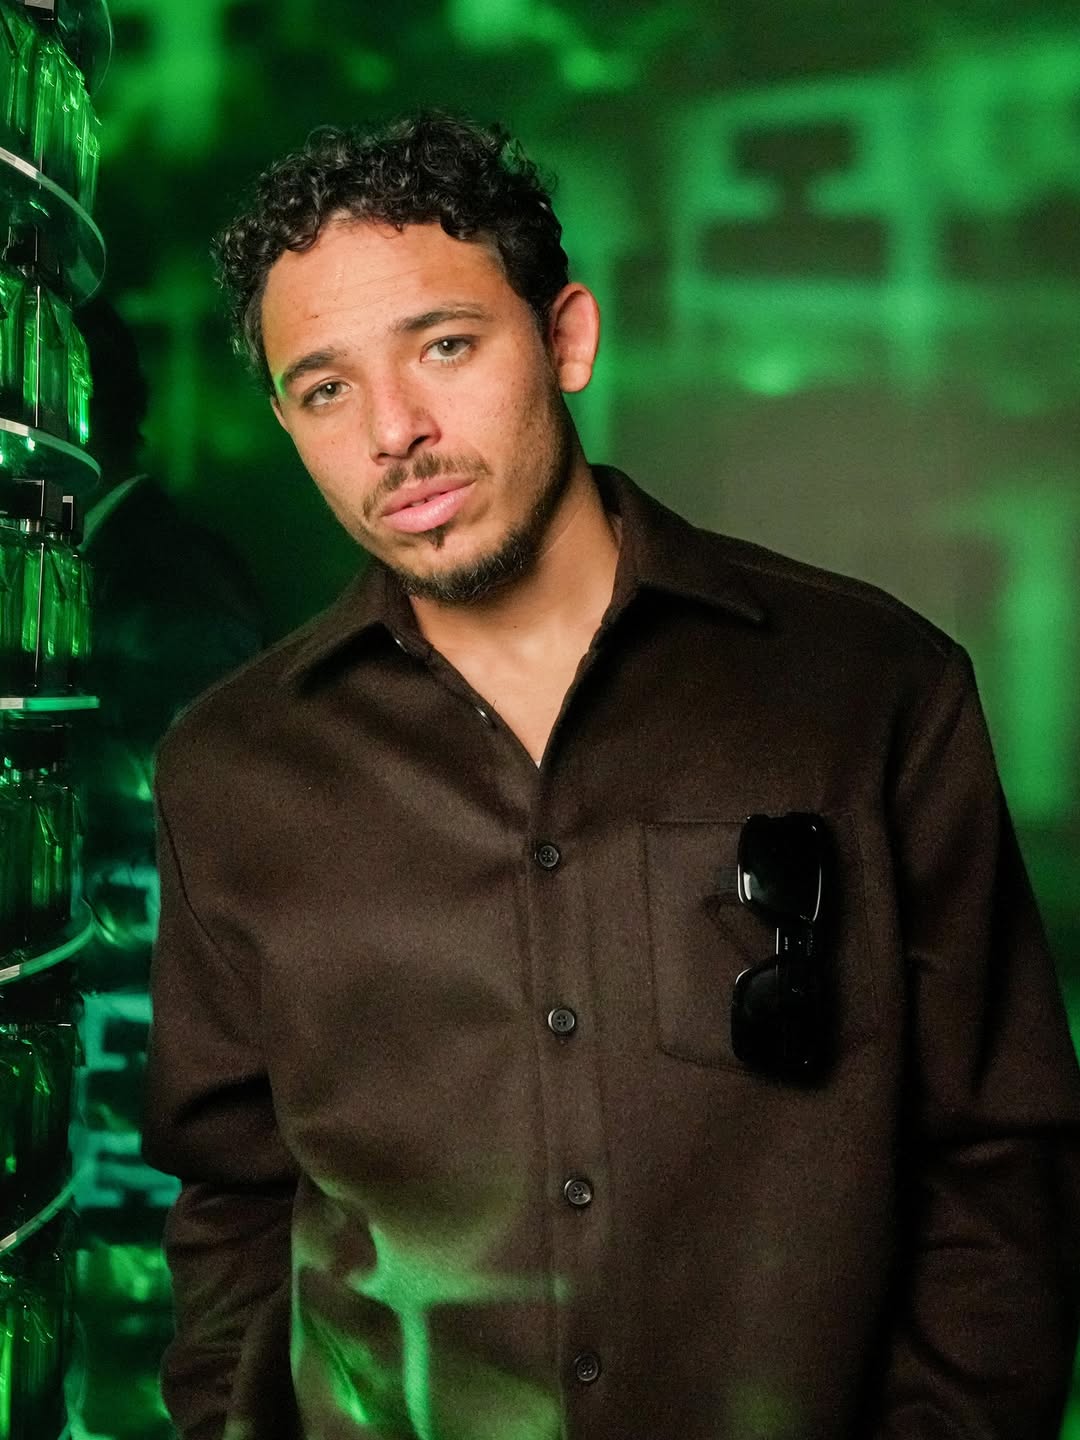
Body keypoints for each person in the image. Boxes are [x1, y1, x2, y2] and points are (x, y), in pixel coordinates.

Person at [142, 112, 1080, 1440]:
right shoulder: (232, 768)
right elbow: (230, 1201)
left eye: (445, 346)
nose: (394, 431)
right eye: (326, 389)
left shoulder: (872, 688)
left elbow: (999, 1161)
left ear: (566, 339)